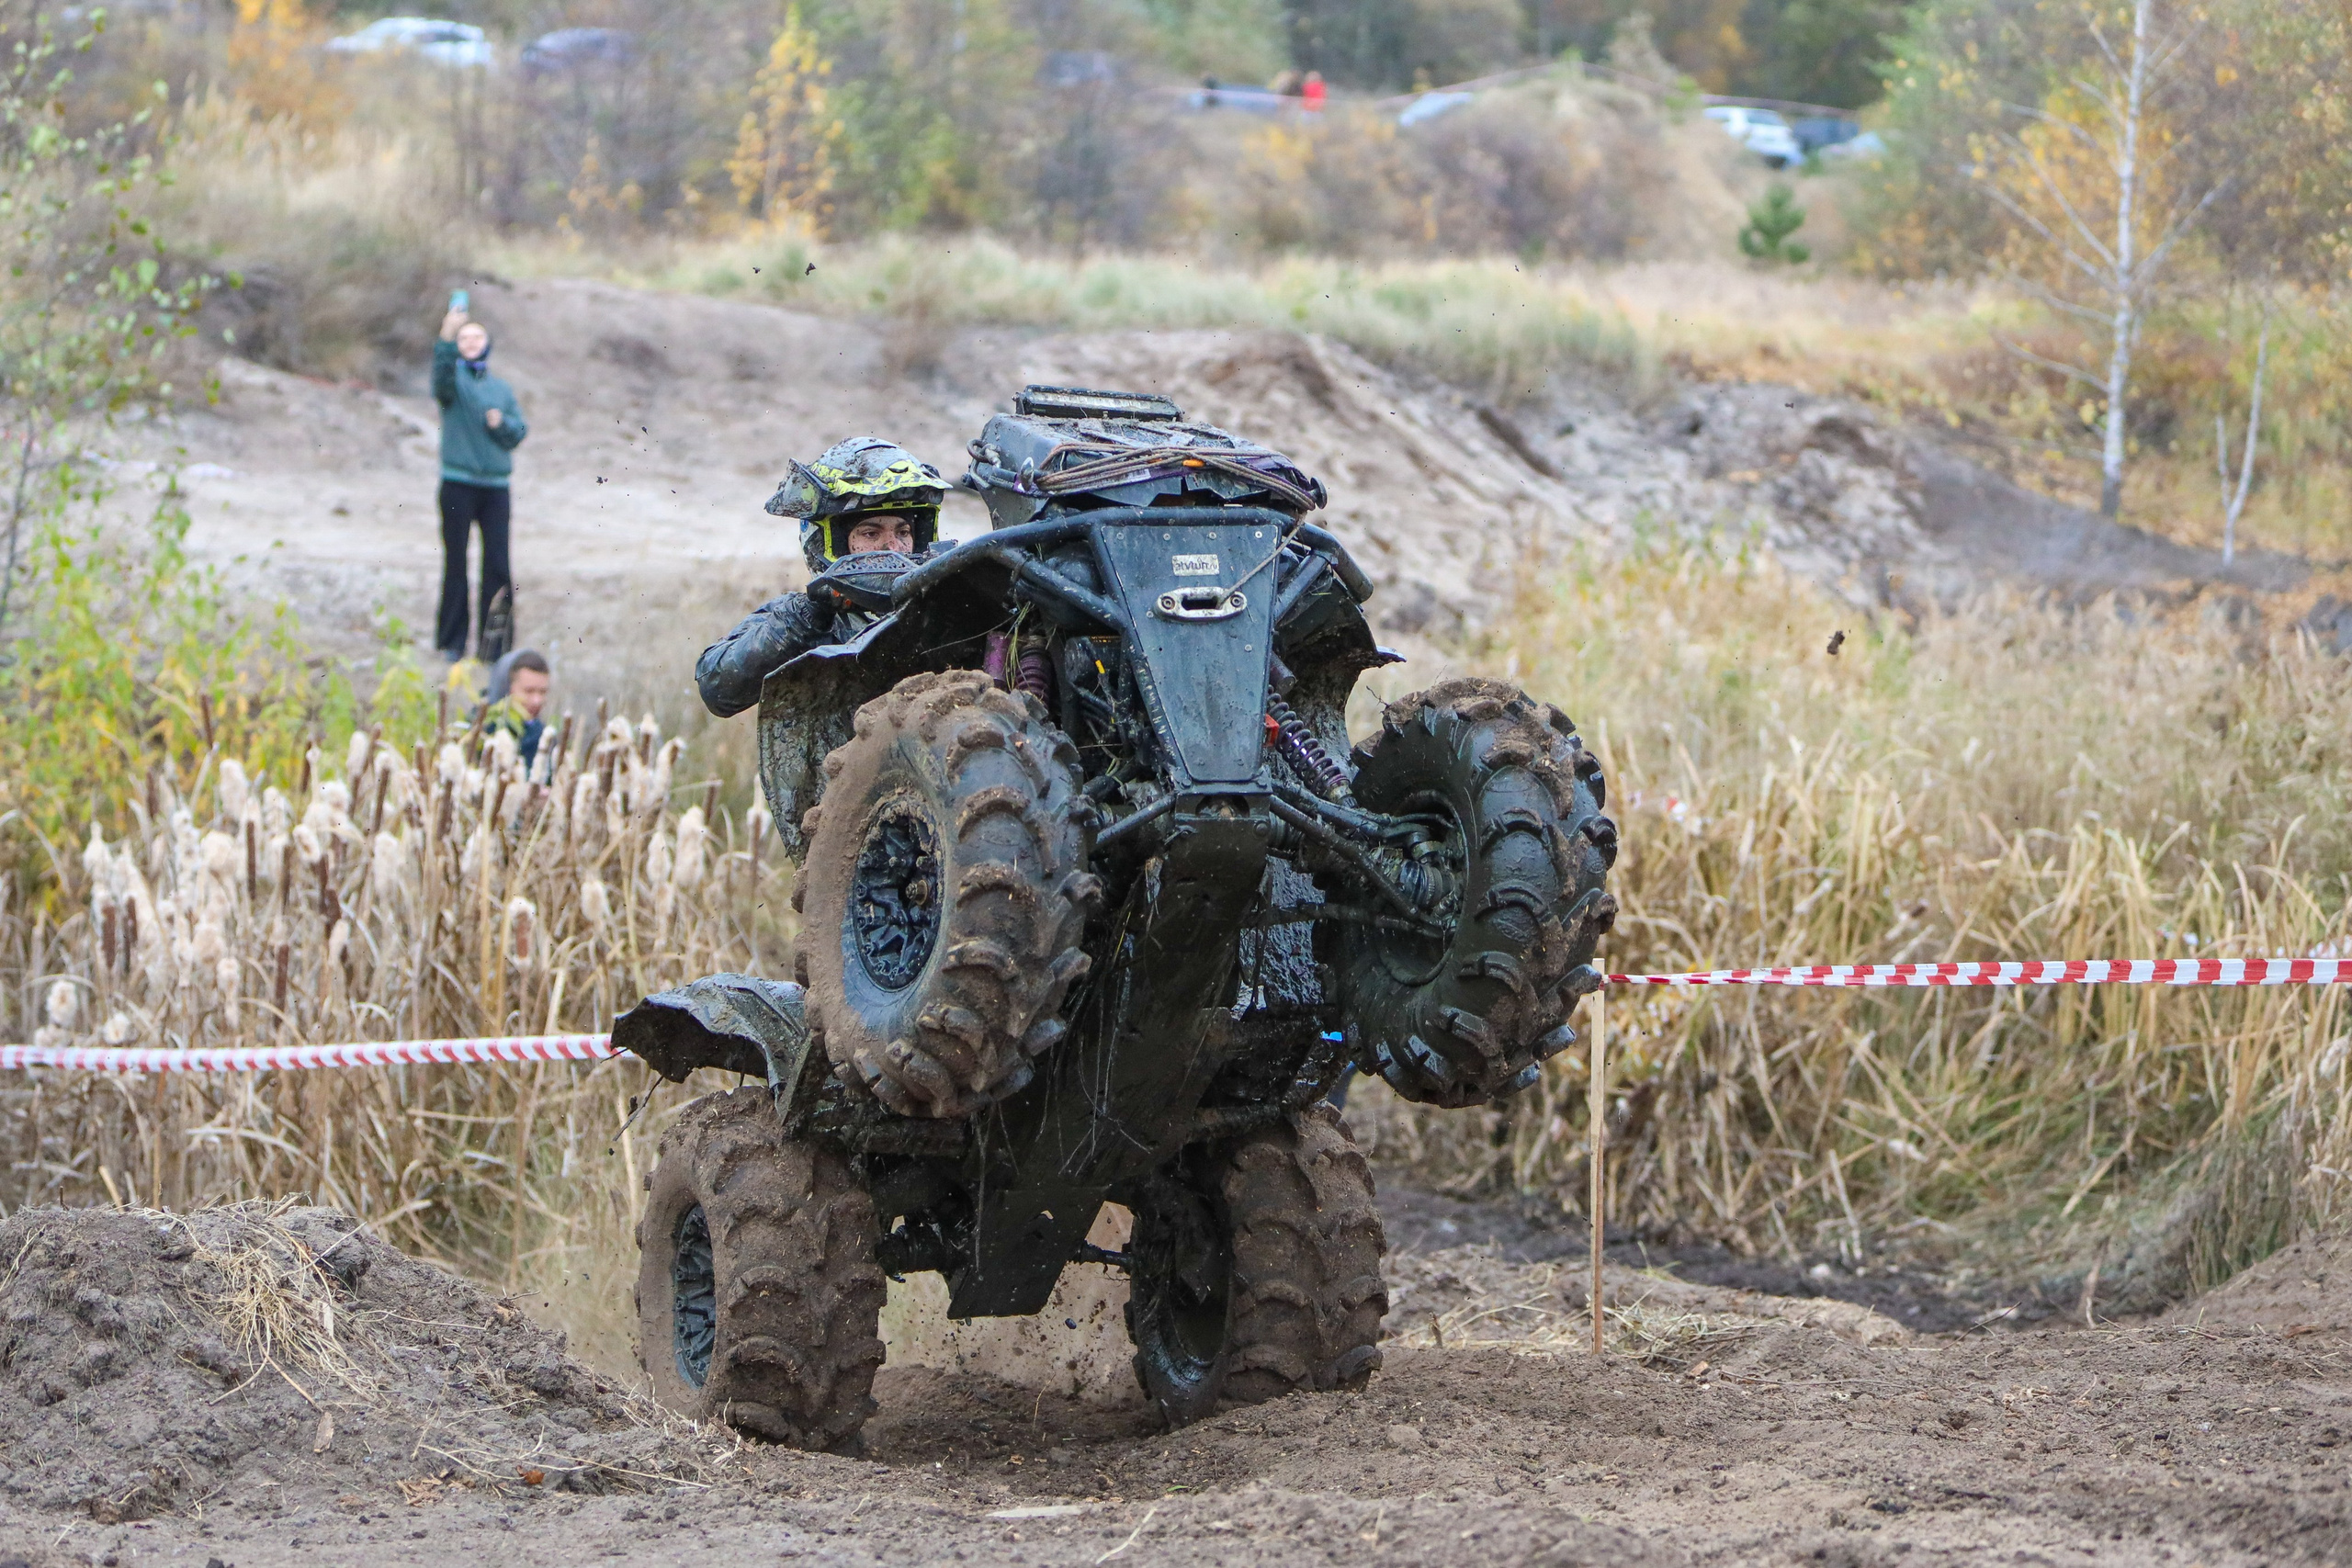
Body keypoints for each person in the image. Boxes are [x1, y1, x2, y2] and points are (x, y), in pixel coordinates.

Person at [695, 438, 946, 717]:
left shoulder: (939, 610)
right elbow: (718, 689)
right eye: (870, 533)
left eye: (903, 532)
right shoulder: (808, 620)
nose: (893, 547)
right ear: (832, 544)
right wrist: (804, 618)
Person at [433, 305, 529, 663]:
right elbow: (440, 377)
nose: (470, 342)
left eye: (476, 336)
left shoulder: (501, 389)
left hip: (495, 489)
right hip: (457, 484)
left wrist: (499, 423)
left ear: (487, 343)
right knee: (456, 563)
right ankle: (452, 645)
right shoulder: (451, 383)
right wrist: (445, 336)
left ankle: (496, 647)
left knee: (498, 566)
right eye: (463, 337)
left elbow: (518, 432)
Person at [481, 649, 553, 769]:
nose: (537, 701)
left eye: (542, 692)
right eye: (529, 691)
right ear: (507, 688)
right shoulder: (483, 730)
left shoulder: (543, 737)